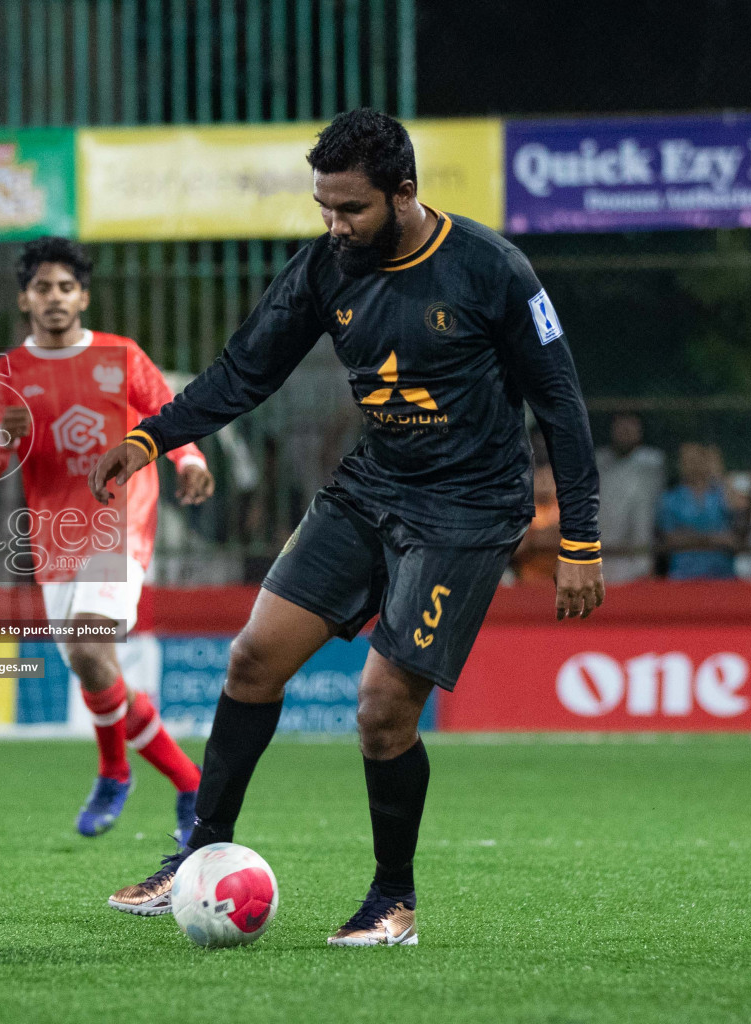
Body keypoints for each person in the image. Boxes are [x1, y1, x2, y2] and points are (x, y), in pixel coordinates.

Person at [89, 110, 603, 945]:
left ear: (405, 193)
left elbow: (563, 409)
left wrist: (579, 538)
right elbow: (242, 371)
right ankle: (200, 851)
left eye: (351, 209)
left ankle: (391, 900)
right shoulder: (327, 266)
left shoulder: (492, 269)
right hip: (372, 487)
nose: (335, 225)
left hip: (468, 508)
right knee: (253, 658)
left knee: (380, 710)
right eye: (324, 207)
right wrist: (153, 436)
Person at [0, 236, 215, 842]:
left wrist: (187, 460)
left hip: (120, 519)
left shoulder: (120, 355)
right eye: (43, 288)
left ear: (83, 296)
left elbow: (170, 412)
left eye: (66, 287)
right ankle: (176, 781)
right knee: (93, 665)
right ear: (25, 298)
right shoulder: (7, 374)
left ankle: (125, 773)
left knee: (85, 645)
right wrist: (4, 436)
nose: (55, 298)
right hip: (56, 536)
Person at [595, 413, 664, 583]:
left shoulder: (653, 462)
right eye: (621, 426)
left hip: (640, 554)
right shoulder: (599, 461)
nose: (625, 431)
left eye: (631, 426)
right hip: (604, 552)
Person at [657, 443, 738, 579]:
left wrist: (690, 537)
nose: (693, 465)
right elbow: (670, 539)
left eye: (697, 459)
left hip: (722, 575)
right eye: (687, 461)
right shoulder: (670, 499)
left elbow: (735, 536)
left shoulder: (722, 494)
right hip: (683, 575)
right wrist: (713, 538)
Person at [511, 463, 561, 584]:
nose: (544, 481)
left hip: (561, 583)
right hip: (523, 583)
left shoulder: (569, 508)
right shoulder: (518, 507)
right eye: (539, 474)